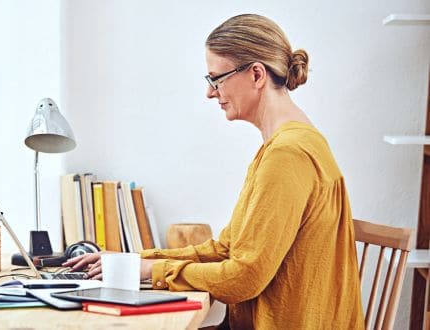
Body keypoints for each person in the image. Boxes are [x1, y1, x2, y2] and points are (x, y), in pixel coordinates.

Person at [63, 14, 364, 329]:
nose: (210, 92)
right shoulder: (287, 145)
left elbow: (244, 278)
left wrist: (154, 271)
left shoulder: (287, 155)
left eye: (215, 79)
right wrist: (137, 261)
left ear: (256, 74)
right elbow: (226, 250)